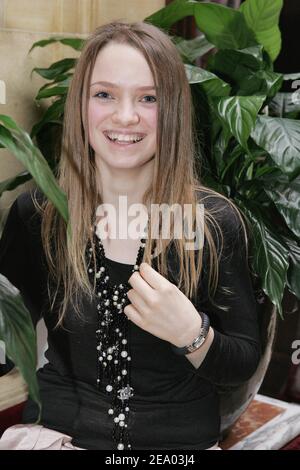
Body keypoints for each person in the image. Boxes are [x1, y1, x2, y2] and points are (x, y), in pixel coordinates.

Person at [0, 20, 261, 450]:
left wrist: (192, 333)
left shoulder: (211, 222)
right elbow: (8, 350)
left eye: (149, 98)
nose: (125, 116)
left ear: (173, 109)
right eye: (105, 94)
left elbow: (242, 362)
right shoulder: (39, 216)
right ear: (81, 105)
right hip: (60, 433)